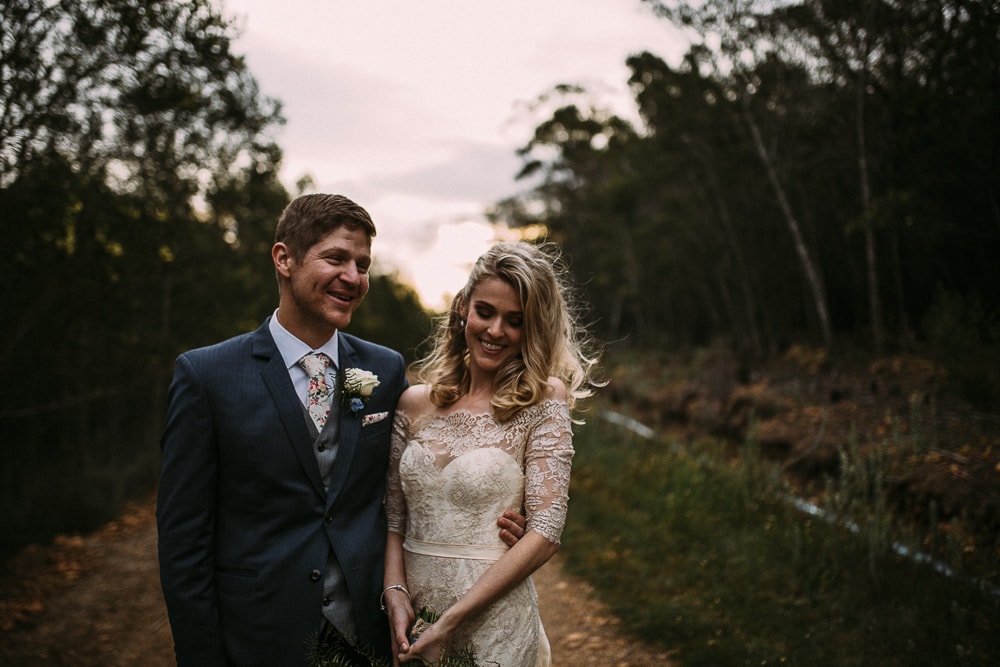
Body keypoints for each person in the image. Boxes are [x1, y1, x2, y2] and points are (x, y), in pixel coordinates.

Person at [156, 194, 526, 667]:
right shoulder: (207, 376)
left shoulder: (381, 369)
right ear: (283, 258)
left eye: (363, 264)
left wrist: (502, 507)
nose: (353, 277)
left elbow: (415, 475)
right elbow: (183, 544)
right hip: (259, 640)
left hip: (368, 638)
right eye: (336, 258)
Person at [383, 240, 601, 666]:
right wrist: (394, 594)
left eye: (515, 321)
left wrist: (450, 621)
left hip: (493, 623)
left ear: (533, 328)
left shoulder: (542, 400)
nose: (496, 331)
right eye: (486, 312)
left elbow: (545, 532)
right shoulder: (413, 403)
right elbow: (393, 521)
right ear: (463, 307)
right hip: (409, 620)